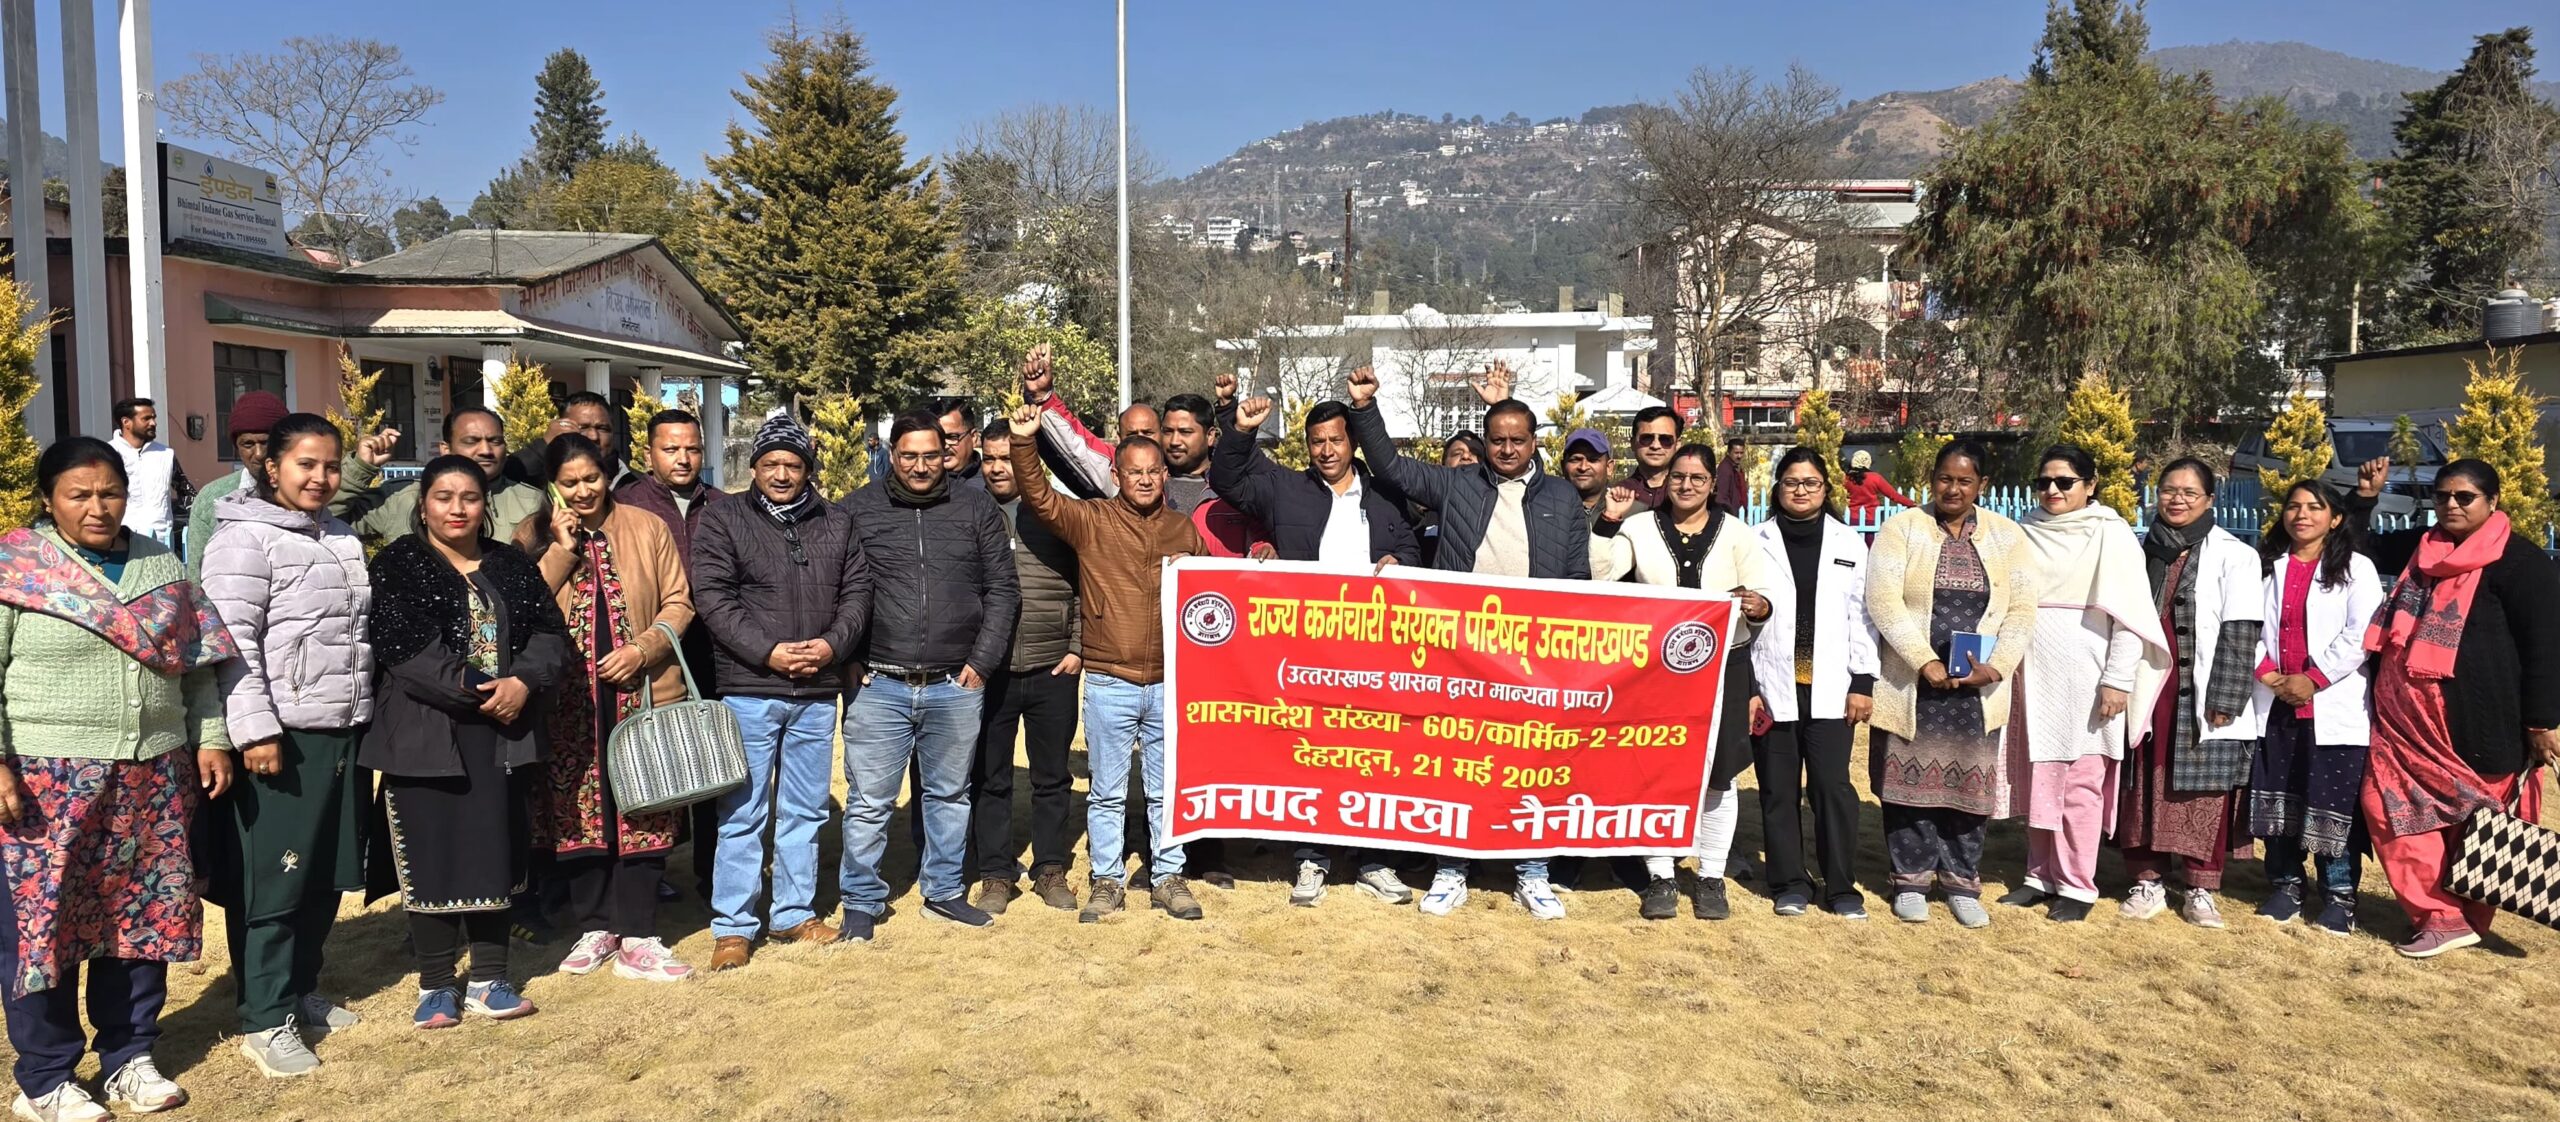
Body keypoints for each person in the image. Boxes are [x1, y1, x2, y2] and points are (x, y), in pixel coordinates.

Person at [0, 439, 236, 1120]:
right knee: (43, 927)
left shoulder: (160, 566)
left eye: (110, 493)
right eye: (79, 495)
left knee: (141, 917)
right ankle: (46, 1078)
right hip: (47, 778)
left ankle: (129, 1056)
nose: (98, 507)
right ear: (48, 500)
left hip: (153, 774)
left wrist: (211, 737)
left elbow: (197, 666)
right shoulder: (16, 567)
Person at [1343, 365, 1591, 919]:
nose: (1507, 449)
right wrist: (1363, 408)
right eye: (1497, 440)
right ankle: (1451, 869)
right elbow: (1390, 467)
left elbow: (1578, 580)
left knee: (1532, 764)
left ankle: (1532, 873)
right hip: (1462, 651)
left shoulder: (1562, 497)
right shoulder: (1457, 485)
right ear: (1485, 443)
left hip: (1534, 656)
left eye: (1517, 440)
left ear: (1534, 442)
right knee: (1458, 763)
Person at [363, 456, 567, 1029]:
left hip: (505, 732)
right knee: (433, 853)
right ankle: (435, 984)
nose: (457, 509)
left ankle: (489, 979)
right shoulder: (398, 564)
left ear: (486, 505)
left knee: (494, 851)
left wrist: (522, 681)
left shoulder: (509, 563)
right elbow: (406, 650)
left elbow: (549, 632)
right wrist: (482, 689)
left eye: (470, 498)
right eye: (443, 497)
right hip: (425, 733)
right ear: (422, 504)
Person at [200, 413, 373, 1077]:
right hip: (281, 733)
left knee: (324, 874)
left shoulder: (341, 536)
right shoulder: (243, 540)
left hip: (342, 727)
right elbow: (230, 645)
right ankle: (265, 1018)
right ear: (272, 467)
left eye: (331, 465)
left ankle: (301, 990)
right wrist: (255, 730)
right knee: (275, 879)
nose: (321, 478)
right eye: (306, 464)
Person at [1005, 402, 1209, 923]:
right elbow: (1041, 498)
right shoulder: (1092, 520)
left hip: (1168, 682)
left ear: (1164, 476)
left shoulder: (1183, 531)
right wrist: (1025, 442)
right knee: (1107, 793)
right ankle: (1108, 880)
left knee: (1164, 792)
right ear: (1116, 475)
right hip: (1109, 681)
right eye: (1134, 472)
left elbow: (1212, 599)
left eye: (1153, 471)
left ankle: (1168, 877)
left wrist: (1212, 564)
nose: (1144, 479)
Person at [1218, 394, 1423, 906]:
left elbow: (1413, 547)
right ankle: (1311, 858)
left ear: (1352, 443)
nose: (1327, 450)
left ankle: (1375, 859)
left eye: (1335, 440)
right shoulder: (1286, 489)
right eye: (1316, 442)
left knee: (1372, 757)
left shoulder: (1385, 496)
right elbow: (1226, 480)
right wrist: (1240, 430)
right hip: (1307, 653)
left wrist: (1401, 561)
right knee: (1311, 756)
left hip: (1374, 654)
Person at [2353, 457, 2560, 957]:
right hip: (2403, 724)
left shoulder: (2521, 562)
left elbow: (2546, 647)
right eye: (2442, 496)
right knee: (2388, 806)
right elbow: (2359, 546)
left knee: (2475, 823)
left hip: (2478, 722)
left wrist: (2541, 722)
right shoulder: (2421, 548)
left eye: (2464, 497)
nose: (2451, 505)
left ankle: (2467, 917)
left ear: (2493, 501)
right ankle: (2439, 916)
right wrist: (2365, 499)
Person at [513, 433, 697, 982]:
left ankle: (638, 932)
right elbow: (521, 609)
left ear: (607, 475)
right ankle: (596, 926)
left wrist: (644, 649)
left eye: (591, 478)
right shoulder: (531, 535)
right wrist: (561, 548)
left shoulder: (646, 526)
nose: (582, 491)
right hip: (567, 702)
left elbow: (679, 602)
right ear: (552, 485)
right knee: (577, 812)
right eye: (569, 483)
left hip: (642, 692)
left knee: (644, 805)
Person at [692, 411, 870, 969]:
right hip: (750, 687)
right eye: (771, 463)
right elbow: (713, 597)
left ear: (808, 468)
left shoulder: (836, 522)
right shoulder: (723, 519)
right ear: (755, 466)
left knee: (806, 809)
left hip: (815, 691)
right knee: (742, 812)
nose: (782, 474)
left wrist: (832, 647)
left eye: (793, 464)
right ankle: (733, 926)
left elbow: (857, 592)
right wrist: (766, 651)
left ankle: (793, 912)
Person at [839, 409, 1017, 933]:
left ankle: (942, 890)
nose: (920, 466)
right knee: (869, 802)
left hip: (954, 684)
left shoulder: (976, 507)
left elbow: (1003, 590)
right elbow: (839, 590)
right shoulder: (857, 510)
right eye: (909, 456)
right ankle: (861, 900)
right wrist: (848, 657)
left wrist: (981, 662)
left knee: (949, 796)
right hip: (879, 683)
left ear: (948, 453)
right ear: (892, 455)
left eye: (931, 455)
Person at [1592, 445, 1779, 920]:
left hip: (1725, 665)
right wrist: (1608, 520)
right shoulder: (1638, 527)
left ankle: (1712, 875)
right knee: (1656, 769)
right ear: (1667, 480)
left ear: (1712, 484)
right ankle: (1661, 875)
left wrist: (1758, 604)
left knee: (1719, 773)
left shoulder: (1736, 533)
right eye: (1678, 476)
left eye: (1698, 477)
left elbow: (1763, 595)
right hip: (1658, 670)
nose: (1687, 485)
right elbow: (1600, 576)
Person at [1864, 440, 2036, 928]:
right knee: (1906, 786)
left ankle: (1962, 881)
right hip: (1913, 685)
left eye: (1964, 481)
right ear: (1932, 480)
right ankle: (1910, 880)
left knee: (1969, 787)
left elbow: (2022, 608)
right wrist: (1923, 661)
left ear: (1982, 485)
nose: (1953, 489)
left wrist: (1996, 667)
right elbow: (1883, 601)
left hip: (1977, 691)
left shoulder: (2007, 536)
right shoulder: (1902, 529)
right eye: (1945, 479)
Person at [1999, 446, 2170, 923]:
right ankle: (2039, 875)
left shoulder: (2111, 535)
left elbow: (2130, 619)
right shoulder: (2024, 532)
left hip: (2089, 677)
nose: (2053, 490)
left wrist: (2117, 680)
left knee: (2080, 785)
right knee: (2037, 777)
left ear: (2090, 485)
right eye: (2044, 482)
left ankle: (2077, 884)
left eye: (2065, 481)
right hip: (2032, 672)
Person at [2106, 458, 2262, 927]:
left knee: (2204, 788)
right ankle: (2147, 879)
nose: (2177, 500)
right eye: (2169, 490)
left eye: (2190, 493)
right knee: (2141, 783)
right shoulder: (2142, 550)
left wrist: (2227, 698)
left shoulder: (2235, 554)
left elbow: (2241, 629)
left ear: (2210, 500)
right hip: (2148, 684)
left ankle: (2200, 887)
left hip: (2202, 689)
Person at [1746, 448, 1878, 920]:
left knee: (1831, 788)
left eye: (1811, 482)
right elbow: (1740, 618)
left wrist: (1862, 681)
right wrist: (1749, 688)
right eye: (1791, 482)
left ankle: (1841, 886)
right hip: (1772, 683)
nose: (1800, 490)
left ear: (1826, 488)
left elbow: (1863, 617)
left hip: (1829, 685)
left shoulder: (1849, 542)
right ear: (1777, 488)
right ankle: (1789, 883)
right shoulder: (1754, 541)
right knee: (1777, 790)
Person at [2249, 479, 2384, 937]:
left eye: (2314, 507)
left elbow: (2362, 633)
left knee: (2333, 804)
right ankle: (2286, 886)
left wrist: (2313, 679)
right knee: (2278, 801)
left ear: (2336, 518)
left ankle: (2339, 897)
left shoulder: (2356, 569)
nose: (2302, 515)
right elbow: (2247, 626)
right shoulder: (2266, 565)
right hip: (2275, 705)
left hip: (2332, 705)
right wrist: (2270, 676)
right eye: (2293, 506)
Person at [968, 422, 1084, 913]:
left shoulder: (1057, 513)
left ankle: (1050, 868)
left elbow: (1088, 581)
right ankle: (995, 874)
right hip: (988, 670)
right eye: (990, 458)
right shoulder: (968, 511)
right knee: (989, 776)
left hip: (1052, 666)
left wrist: (1077, 646)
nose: (998, 468)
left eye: (1008, 458)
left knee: (1051, 777)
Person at [612, 408, 727, 895]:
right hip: (652, 653)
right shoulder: (625, 506)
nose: (683, 458)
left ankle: (712, 873)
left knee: (711, 760)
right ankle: (650, 872)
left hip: (716, 650)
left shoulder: (723, 505)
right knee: (655, 758)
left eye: (692, 449)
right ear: (649, 453)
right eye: (671, 449)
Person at [334, 407, 548, 545]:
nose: (486, 450)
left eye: (495, 441)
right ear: (446, 449)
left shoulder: (531, 502)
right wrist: (360, 467)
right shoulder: (402, 497)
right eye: (471, 441)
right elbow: (327, 520)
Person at [185, 390, 289, 576]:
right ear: (236, 447)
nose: (259, 454)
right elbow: (197, 576)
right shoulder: (212, 499)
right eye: (248, 444)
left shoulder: (307, 491)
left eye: (266, 442)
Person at [108, 398, 191, 550]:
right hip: (121, 543)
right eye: (146, 418)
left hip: (162, 541)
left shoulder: (166, 455)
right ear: (126, 422)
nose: (153, 423)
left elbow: (186, 493)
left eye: (154, 418)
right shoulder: (107, 454)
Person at [1413, 432, 1485, 568]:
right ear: (1443, 464)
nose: (1466, 457)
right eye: (1457, 453)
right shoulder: (1421, 515)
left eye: (1475, 453)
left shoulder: (1496, 514)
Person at [1622, 406, 1684, 509]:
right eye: (1647, 438)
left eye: (1665, 439)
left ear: (1677, 444)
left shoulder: (1690, 492)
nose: (1655, 446)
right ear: (1632, 443)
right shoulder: (1618, 495)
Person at [1843, 450, 1915, 524]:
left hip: (1851, 518)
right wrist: (1911, 504)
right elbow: (1893, 495)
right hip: (1871, 518)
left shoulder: (1846, 479)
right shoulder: (1875, 478)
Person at [1712, 436, 1750, 515]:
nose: (1739, 456)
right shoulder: (1725, 469)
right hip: (1731, 514)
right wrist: (1730, 513)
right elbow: (1722, 497)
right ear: (1729, 452)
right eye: (1736, 453)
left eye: (1741, 453)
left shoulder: (1736, 467)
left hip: (1739, 513)